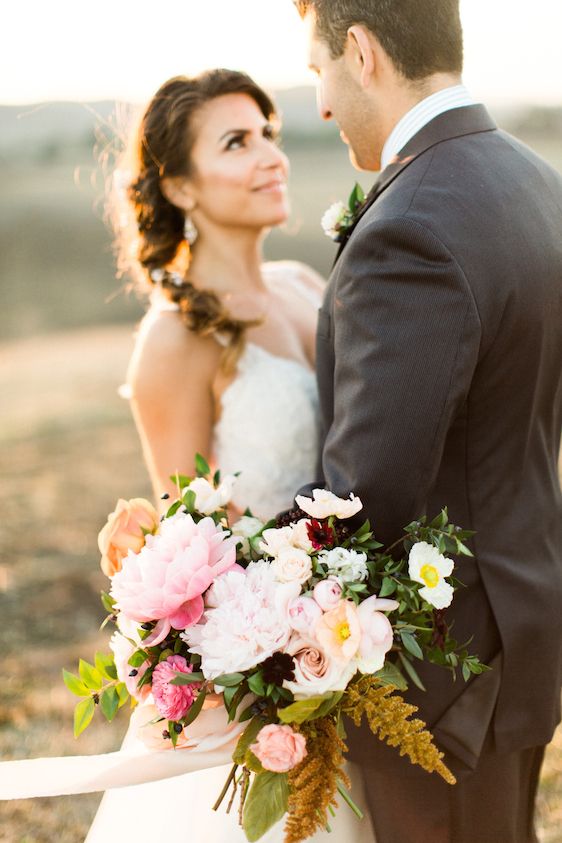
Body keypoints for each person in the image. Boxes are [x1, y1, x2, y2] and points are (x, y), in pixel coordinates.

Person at [292, 1, 562, 842]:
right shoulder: (534, 179)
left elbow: (364, 497)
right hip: (522, 626)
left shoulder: (409, 224)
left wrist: (211, 586)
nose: (323, 105)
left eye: (319, 72)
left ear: (362, 52)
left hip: (440, 681)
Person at [85, 70, 376, 842]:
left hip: (342, 642)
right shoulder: (176, 338)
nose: (270, 156)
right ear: (180, 185)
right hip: (258, 673)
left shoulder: (304, 286)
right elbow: (196, 542)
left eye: (270, 133)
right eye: (237, 142)